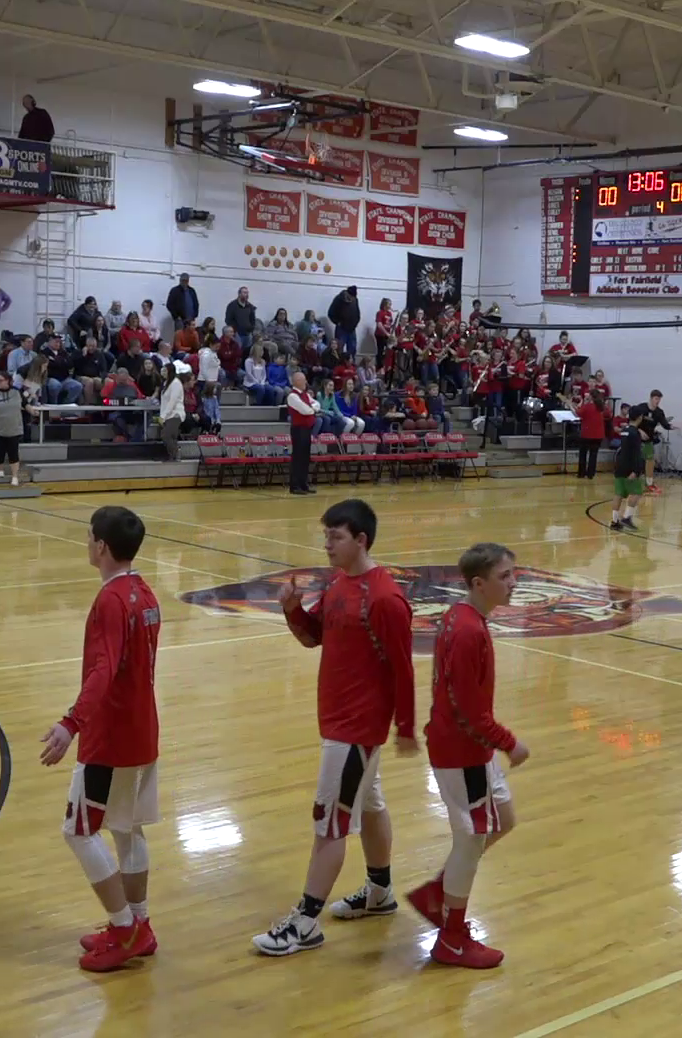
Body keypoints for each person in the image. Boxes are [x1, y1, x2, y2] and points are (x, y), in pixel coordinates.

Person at [253, 500, 417, 957]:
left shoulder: (385, 598)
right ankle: (380, 892)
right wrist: (292, 610)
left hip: (356, 727)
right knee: (369, 805)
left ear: (361, 540)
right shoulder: (341, 584)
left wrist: (404, 725)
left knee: (330, 824)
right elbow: (313, 637)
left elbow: (404, 669)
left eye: (335, 537)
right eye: (325, 536)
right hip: (339, 721)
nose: (326, 544)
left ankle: (305, 923)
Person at [39, 506, 163, 972]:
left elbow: (103, 671)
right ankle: (140, 926)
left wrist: (70, 723)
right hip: (142, 730)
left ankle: (125, 926)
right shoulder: (145, 592)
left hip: (110, 739)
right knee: (127, 828)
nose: (86, 544)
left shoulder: (110, 601)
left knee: (78, 831)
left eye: (89, 537)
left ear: (102, 547)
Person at [406, 542, 529, 969]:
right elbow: (470, 712)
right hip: (462, 751)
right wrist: (510, 743)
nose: (514, 583)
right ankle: (451, 938)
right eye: (505, 576)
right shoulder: (467, 631)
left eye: (514, 574)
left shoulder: (463, 617)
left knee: (504, 820)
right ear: (479, 583)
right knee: (472, 837)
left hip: (470, 748)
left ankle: (439, 893)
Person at [609, 405, 645, 530]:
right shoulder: (635, 433)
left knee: (618, 494)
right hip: (629, 468)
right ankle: (627, 517)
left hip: (619, 465)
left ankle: (614, 521)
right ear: (640, 417)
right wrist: (636, 470)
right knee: (637, 493)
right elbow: (636, 453)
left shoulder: (624, 430)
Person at [285, 374, 318, 495]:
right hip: (298, 429)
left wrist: (311, 408)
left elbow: (317, 405)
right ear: (297, 381)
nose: (306, 382)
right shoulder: (293, 396)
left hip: (306, 429)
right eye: (304, 380)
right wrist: (312, 409)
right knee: (298, 457)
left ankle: (303, 483)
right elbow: (305, 410)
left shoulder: (306, 395)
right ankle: (295, 485)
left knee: (305, 457)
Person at [639, 390, 670, 494]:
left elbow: (665, 424)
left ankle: (649, 483)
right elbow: (631, 422)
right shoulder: (641, 408)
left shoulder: (659, 412)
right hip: (636, 439)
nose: (658, 401)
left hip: (649, 440)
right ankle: (632, 483)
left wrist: (671, 426)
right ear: (651, 398)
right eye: (656, 399)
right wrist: (639, 431)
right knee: (636, 461)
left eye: (659, 399)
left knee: (650, 460)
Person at [575, 391, 605, 479]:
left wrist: (571, 406)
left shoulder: (588, 406)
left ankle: (581, 473)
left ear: (591, 397)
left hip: (587, 434)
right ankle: (591, 474)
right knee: (593, 455)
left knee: (583, 454)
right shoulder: (601, 407)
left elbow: (578, 413)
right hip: (598, 435)